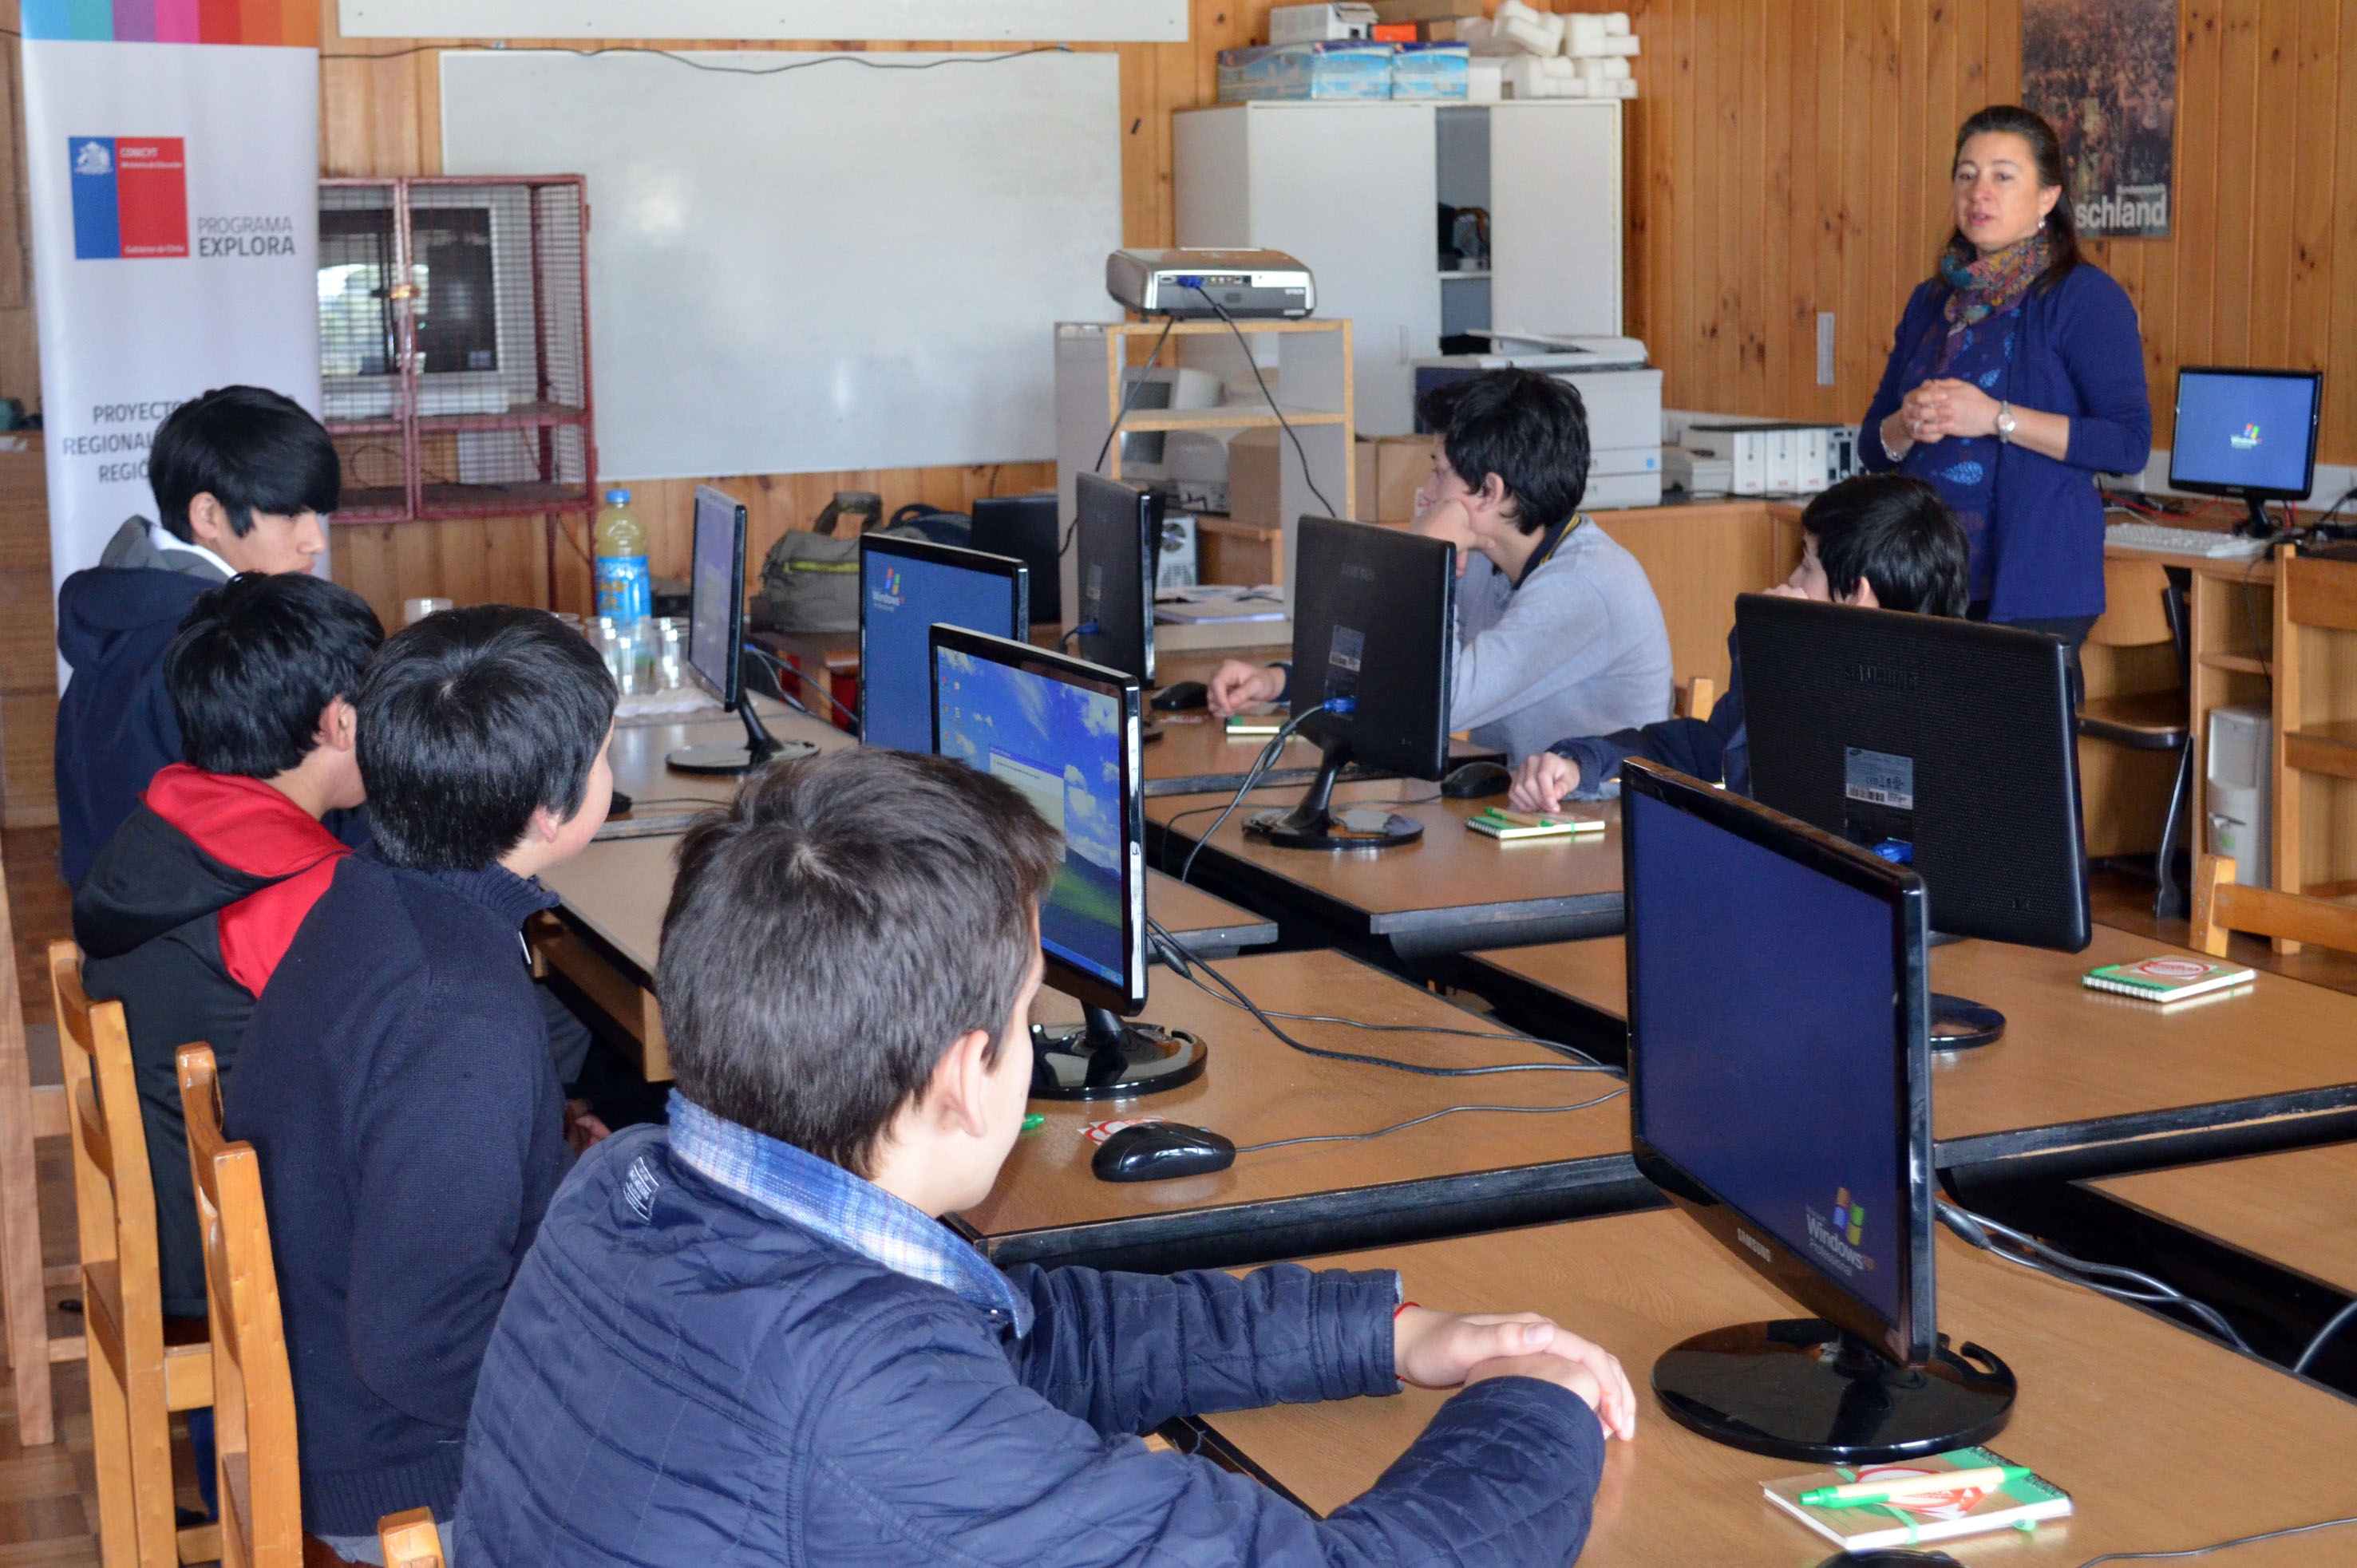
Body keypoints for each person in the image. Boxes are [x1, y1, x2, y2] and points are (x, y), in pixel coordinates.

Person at [456, 748, 1635, 1566]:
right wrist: (1537, 1406)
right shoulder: (863, 1401)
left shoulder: (628, 1187)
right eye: (1027, 1015)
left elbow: (1024, 1335)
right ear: (967, 1077)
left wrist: (1380, 1335)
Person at [223, 606, 616, 1562]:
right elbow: (420, 1347)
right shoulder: (457, 1012)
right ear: (548, 814)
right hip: (410, 1476)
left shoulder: (371, 900)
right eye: (605, 755)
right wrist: (616, 1371)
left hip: (335, 1395)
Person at [74, 572, 382, 1325]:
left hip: (173, 1214)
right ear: (341, 722)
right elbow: (373, 1067)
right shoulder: (298, 885)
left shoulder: (165, 814)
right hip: (244, 1256)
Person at [1208, 369, 1672, 763]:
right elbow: (1391, 666)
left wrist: (1435, 568)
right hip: (1513, 806)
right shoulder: (1494, 554)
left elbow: (1435, 708)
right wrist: (1281, 681)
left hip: (1594, 831)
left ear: (1489, 492)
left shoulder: (1582, 586)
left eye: (1439, 471)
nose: (1427, 491)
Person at [1860, 104, 2151, 668]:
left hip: (2031, 586)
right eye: (1965, 175)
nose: (1978, 192)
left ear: (2046, 198)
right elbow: (1875, 446)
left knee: (2010, 754)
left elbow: (2126, 443)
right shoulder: (1929, 301)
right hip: (1926, 576)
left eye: (2001, 175)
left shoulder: (2082, 297)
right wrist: (1905, 423)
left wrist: (1997, 418)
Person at [1509, 474, 1969, 812]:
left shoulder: (1919, 726)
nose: (1790, 579)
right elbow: (1704, 752)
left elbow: (1771, 809)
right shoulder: (1808, 668)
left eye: (1806, 566)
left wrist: (1778, 657)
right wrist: (1581, 763)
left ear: (1856, 596)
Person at [54, 385, 342, 887]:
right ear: (208, 515)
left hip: (131, 939)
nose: (315, 540)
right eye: (291, 513)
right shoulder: (214, 647)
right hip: (214, 946)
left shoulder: (130, 614)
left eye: (316, 513)